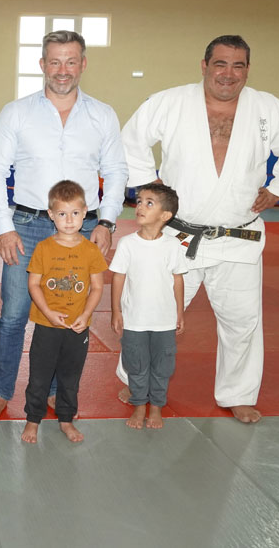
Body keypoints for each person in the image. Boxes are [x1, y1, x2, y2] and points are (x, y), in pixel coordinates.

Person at [118, 35, 279, 423]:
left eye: (238, 65)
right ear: (205, 65)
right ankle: (135, 378)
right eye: (220, 64)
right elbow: (132, 139)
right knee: (151, 310)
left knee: (242, 322)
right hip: (178, 235)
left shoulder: (267, 108)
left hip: (238, 236)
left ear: (247, 70)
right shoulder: (171, 102)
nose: (228, 73)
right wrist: (148, 183)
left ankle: (237, 393)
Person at [0, 30, 128, 420]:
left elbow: (115, 171)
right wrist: (4, 226)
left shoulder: (102, 115)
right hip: (27, 225)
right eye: (55, 61)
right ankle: (0, 391)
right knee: (14, 314)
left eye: (71, 61)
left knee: (72, 311)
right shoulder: (17, 112)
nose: (63, 70)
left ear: (83, 64)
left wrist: (107, 222)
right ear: (42, 64)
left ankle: (58, 393)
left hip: (83, 229)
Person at [21, 180, 107, 444]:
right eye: (62, 214)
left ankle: (66, 419)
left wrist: (86, 315)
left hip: (77, 327)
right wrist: (47, 312)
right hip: (47, 325)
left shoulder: (90, 250)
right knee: (39, 376)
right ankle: (32, 420)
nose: (69, 220)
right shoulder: (44, 248)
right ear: (51, 215)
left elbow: (97, 287)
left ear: (85, 213)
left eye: (75, 213)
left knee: (71, 377)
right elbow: (34, 284)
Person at [110, 183, 188, 430]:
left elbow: (178, 279)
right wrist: (116, 311)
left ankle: (156, 406)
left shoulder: (173, 245)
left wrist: (179, 312)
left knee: (163, 366)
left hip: (164, 320)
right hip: (135, 319)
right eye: (140, 201)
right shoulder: (127, 244)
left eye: (149, 203)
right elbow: (118, 278)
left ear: (165, 215)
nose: (140, 206)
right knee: (136, 364)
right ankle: (139, 405)